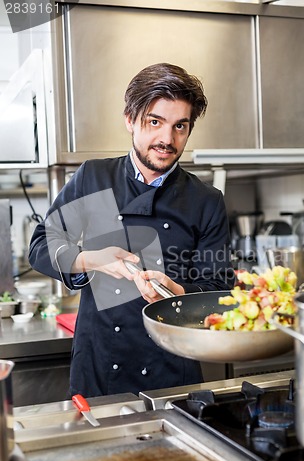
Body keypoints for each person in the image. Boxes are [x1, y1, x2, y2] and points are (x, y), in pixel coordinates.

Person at [29, 62, 234, 398]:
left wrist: (177, 291)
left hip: (173, 371)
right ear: (130, 120)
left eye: (180, 126)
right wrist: (90, 260)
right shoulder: (94, 178)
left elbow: (220, 289)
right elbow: (41, 245)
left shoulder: (206, 200)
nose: (167, 139)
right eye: (155, 122)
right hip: (100, 368)